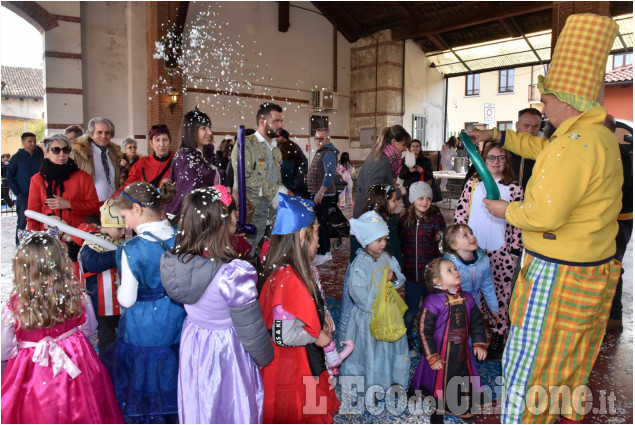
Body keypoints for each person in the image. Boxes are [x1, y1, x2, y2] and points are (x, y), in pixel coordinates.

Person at [467, 14, 622, 423]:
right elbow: (540, 150)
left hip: (558, 272)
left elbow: (543, 214)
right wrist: (498, 137)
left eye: (547, 98)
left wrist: (504, 210)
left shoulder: (573, 145)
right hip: (589, 268)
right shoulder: (594, 136)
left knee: (529, 362)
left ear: (568, 100)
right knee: (566, 362)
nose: (543, 104)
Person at [160, 185, 273, 423]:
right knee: (229, 400)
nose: (236, 217)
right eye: (232, 213)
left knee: (201, 396)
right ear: (222, 222)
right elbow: (250, 328)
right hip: (226, 348)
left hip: (196, 340)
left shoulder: (178, 262)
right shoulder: (232, 274)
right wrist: (265, 358)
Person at [1, 232, 123, 424]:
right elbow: (90, 329)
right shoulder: (78, 296)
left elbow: (4, 349)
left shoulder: (13, 307)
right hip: (77, 361)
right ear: (61, 264)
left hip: (30, 369)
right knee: (83, 406)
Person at [104, 181, 185, 423]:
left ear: (138, 210)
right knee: (175, 375)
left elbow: (126, 299)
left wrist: (119, 291)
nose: (125, 223)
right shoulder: (183, 237)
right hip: (179, 323)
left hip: (143, 331)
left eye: (125, 216)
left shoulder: (132, 248)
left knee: (145, 383)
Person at [258, 193, 340, 423]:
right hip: (291, 364)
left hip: (298, 358)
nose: (319, 243)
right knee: (296, 410)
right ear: (303, 235)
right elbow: (283, 334)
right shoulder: (288, 279)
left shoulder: (291, 271)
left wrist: (322, 316)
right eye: (316, 236)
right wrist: (316, 337)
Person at [453, 142, 523, 360]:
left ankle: (499, 337)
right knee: (472, 294)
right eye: (491, 158)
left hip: (500, 251)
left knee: (500, 297)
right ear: (483, 160)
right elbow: (461, 213)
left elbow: (518, 224)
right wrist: (456, 244)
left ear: (507, 162)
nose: (495, 162)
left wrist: (513, 251)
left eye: (501, 158)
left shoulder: (514, 188)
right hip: (473, 252)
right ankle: (475, 337)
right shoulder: (473, 184)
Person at [409, 257, 488, 424]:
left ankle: (461, 406)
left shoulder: (467, 298)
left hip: (461, 351)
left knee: (461, 376)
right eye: (449, 270)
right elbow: (424, 330)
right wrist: (432, 355)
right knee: (436, 379)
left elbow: (477, 322)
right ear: (437, 280)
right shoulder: (433, 301)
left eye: (455, 269)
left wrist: (479, 343)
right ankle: (437, 409)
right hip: (439, 351)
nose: (455, 272)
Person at [339, 210, 409, 394]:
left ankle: (391, 379)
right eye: (379, 240)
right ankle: (371, 384)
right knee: (371, 351)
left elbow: (400, 279)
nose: (384, 243)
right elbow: (356, 291)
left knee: (389, 347)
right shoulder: (360, 264)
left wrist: (394, 277)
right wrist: (375, 306)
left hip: (388, 315)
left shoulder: (388, 259)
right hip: (368, 317)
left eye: (385, 239)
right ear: (366, 240)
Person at [26, 134, 101, 262]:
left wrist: (70, 204)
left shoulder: (83, 177)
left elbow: (94, 207)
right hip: (47, 239)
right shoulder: (37, 179)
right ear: (46, 152)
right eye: (56, 150)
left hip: (76, 237)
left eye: (66, 150)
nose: (61, 154)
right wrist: (35, 240)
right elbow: (32, 215)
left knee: (76, 278)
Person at [399, 182, 446, 356]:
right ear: (412, 200)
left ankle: (430, 339)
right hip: (411, 274)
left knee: (431, 310)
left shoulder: (436, 219)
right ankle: (408, 339)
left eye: (428, 199)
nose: (425, 202)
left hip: (430, 276)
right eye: (420, 198)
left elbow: (442, 245)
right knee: (410, 310)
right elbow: (401, 245)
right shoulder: (405, 220)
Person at [230, 103, 283, 252]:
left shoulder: (276, 150)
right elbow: (245, 179)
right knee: (246, 254)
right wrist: (277, 192)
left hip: (271, 216)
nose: (280, 125)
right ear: (262, 122)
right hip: (250, 214)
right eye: (276, 121)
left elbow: (277, 179)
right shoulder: (246, 145)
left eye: (281, 121)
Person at [78, 199, 126, 356]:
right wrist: (118, 254)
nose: (123, 231)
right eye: (119, 228)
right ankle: (108, 364)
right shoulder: (92, 243)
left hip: (120, 300)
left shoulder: (119, 240)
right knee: (107, 338)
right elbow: (93, 263)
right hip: (101, 303)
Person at [164, 108, 224, 220]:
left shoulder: (204, 155)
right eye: (204, 128)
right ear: (191, 130)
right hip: (191, 219)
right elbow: (191, 191)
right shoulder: (185, 158)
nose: (210, 132)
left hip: (205, 215)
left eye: (209, 128)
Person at [605, 115, 633, 332]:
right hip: (622, 218)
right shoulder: (619, 152)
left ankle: (612, 317)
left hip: (617, 219)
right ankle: (613, 318)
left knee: (611, 266)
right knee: (614, 265)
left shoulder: (613, 153)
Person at [441, 224, 499, 320]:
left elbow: (487, 285)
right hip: (454, 309)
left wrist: (493, 306)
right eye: (465, 235)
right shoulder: (449, 266)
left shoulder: (483, 261)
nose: (472, 237)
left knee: (473, 330)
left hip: (474, 306)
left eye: (471, 233)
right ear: (454, 245)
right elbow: (444, 291)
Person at [354, 125, 410, 219]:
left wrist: (390, 185)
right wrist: (398, 192)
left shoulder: (380, 155)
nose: (405, 149)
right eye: (403, 145)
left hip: (368, 212)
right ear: (393, 142)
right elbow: (373, 193)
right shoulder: (382, 161)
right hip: (370, 216)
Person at [307, 127, 340, 266]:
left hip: (324, 194)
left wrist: (321, 192)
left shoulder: (328, 153)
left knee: (321, 223)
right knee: (319, 222)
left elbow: (329, 175)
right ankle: (323, 251)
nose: (318, 141)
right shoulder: (322, 152)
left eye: (321, 138)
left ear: (328, 139)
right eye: (316, 138)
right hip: (319, 192)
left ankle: (324, 252)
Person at [71, 117, 123, 202]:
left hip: (111, 207)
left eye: (107, 133)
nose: (104, 136)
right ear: (91, 134)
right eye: (99, 132)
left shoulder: (115, 154)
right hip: (88, 207)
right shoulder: (78, 153)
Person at [6, 132, 44, 244]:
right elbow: (9, 175)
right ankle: (20, 246)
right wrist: (18, 193)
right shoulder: (16, 158)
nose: (32, 143)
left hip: (40, 195)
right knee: (22, 222)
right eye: (29, 141)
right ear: (23, 142)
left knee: (41, 221)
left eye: (34, 141)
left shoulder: (42, 155)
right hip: (24, 196)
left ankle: (40, 245)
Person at [117, 124, 174, 194]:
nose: (161, 144)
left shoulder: (178, 163)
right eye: (157, 140)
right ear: (151, 143)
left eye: (165, 140)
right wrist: (111, 200)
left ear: (170, 142)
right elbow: (127, 187)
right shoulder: (141, 164)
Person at [509, 108, 542, 189]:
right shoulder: (505, 146)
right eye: (526, 126)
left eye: (535, 126)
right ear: (517, 126)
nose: (530, 130)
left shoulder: (545, 148)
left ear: (539, 127)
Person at [399, 139, 434, 209]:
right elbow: (401, 175)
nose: (415, 148)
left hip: (422, 189)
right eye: (413, 146)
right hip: (408, 189)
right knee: (409, 209)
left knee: (421, 209)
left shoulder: (426, 161)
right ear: (410, 148)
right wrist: (409, 171)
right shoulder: (404, 160)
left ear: (420, 148)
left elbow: (430, 175)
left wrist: (423, 171)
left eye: (417, 146)